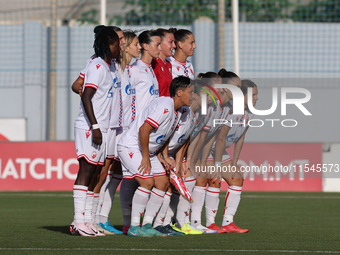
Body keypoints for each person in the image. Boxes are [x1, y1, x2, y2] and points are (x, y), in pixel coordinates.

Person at [117, 76, 191, 237]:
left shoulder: (177, 112)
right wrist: (145, 157)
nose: (194, 95)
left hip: (149, 152)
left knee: (163, 183)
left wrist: (162, 157)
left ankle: (148, 225)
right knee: (147, 181)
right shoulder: (165, 106)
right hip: (131, 147)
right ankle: (134, 228)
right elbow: (144, 130)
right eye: (191, 92)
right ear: (179, 92)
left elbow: (163, 137)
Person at [70, 26, 120, 237]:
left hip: (101, 128)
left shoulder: (107, 66)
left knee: (94, 175)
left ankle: (87, 220)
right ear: (109, 45)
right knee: (86, 172)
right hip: (90, 127)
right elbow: (85, 95)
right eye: (117, 43)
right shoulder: (98, 66)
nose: (120, 47)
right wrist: (96, 126)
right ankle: (79, 221)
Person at [198, 79, 258, 233]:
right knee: (214, 179)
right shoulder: (229, 110)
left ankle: (228, 222)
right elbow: (220, 138)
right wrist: (217, 165)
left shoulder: (249, 114)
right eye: (253, 95)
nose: (256, 99)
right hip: (207, 146)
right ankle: (210, 223)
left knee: (237, 178)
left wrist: (235, 161)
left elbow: (241, 137)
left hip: (219, 149)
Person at [189, 69, 242, 234]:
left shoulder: (226, 108)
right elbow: (199, 135)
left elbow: (214, 137)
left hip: (206, 148)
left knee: (235, 178)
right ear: (226, 88)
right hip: (191, 146)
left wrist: (209, 162)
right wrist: (196, 160)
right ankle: (195, 222)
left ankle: (221, 222)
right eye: (237, 87)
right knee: (203, 178)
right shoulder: (209, 105)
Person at [151, 28, 176, 97]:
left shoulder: (168, 64)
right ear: (160, 43)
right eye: (171, 42)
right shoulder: (153, 64)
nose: (174, 46)